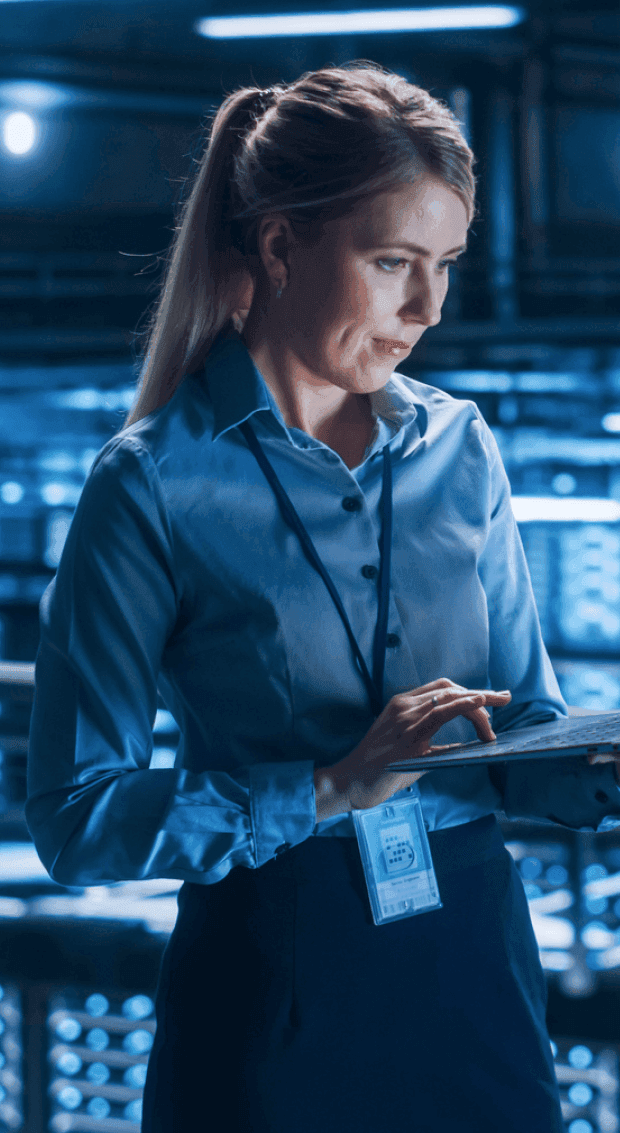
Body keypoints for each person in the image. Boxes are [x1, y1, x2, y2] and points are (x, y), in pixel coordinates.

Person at [26, 61, 620, 1133]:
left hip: (474, 958)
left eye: (442, 263)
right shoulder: (152, 482)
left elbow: (520, 720)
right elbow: (77, 819)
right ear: (279, 243)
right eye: (392, 261)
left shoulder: (459, 447)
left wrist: (590, 767)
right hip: (275, 978)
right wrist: (328, 785)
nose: (429, 307)